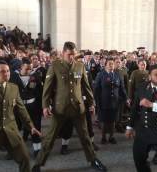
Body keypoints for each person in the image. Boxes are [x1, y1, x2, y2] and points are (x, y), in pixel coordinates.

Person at [32, 41, 107, 172]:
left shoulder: (80, 66)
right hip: (60, 108)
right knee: (50, 138)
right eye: (69, 55)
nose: (71, 57)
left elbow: (87, 87)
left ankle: (93, 160)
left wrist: (91, 103)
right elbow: (47, 88)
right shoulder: (55, 66)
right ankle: (38, 164)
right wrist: (45, 106)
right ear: (63, 53)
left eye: (73, 54)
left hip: (78, 108)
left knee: (85, 136)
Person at [10, 57, 43, 157]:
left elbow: (40, 92)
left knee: (35, 127)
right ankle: (14, 151)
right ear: (21, 67)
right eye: (26, 69)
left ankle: (37, 149)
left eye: (30, 68)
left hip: (33, 107)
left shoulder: (35, 77)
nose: (29, 71)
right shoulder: (13, 78)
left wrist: (43, 107)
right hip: (18, 108)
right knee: (15, 128)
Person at [94, 57, 128, 144]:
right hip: (103, 101)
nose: (111, 65)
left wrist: (126, 98)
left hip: (115, 101)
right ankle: (103, 137)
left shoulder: (117, 75)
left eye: (112, 64)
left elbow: (122, 88)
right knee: (104, 120)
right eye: (109, 64)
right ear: (105, 65)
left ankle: (111, 136)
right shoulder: (100, 75)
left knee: (113, 120)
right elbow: (96, 88)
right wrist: (94, 100)